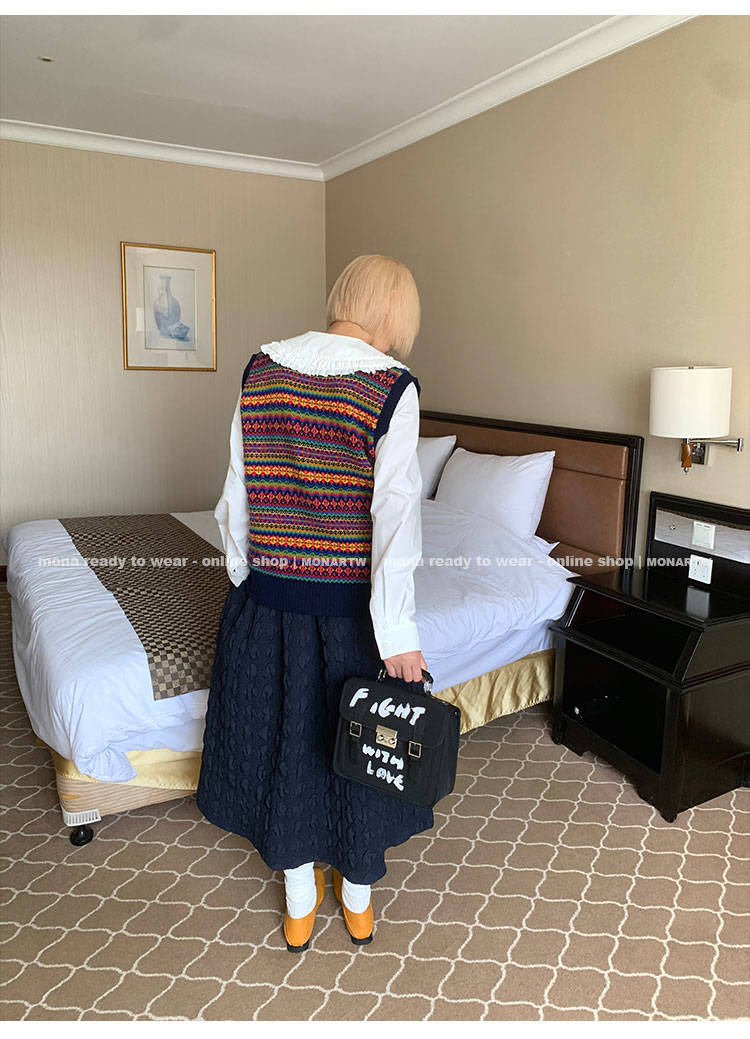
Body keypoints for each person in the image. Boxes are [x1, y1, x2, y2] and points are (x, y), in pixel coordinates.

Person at [196, 254, 431, 953]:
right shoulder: (391, 387)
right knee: (357, 755)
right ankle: (355, 893)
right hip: (349, 620)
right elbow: (396, 522)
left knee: (283, 750)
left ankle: (300, 898)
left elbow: (235, 495)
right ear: (393, 315)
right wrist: (398, 634)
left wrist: (251, 580)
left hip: (266, 606)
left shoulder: (261, 369)